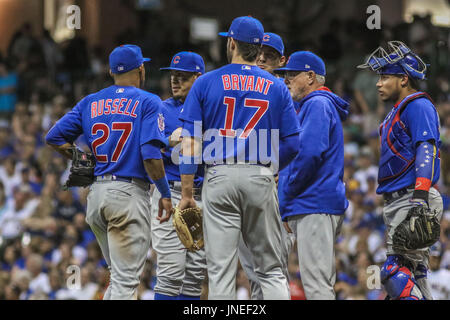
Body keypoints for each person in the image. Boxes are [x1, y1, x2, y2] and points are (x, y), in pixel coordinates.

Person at [177, 16, 300, 300]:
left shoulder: (205, 82)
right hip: (259, 175)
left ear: (231, 42)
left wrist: (186, 193)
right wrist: (271, 167)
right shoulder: (277, 86)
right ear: (258, 50)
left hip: (219, 176)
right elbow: (293, 144)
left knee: (220, 270)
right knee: (270, 270)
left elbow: (191, 142)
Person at [45, 44, 173, 300]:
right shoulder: (148, 101)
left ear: (112, 71)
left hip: (98, 197)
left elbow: (54, 137)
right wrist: (165, 193)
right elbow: (150, 156)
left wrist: (83, 160)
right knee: (126, 284)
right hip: (127, 195)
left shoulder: (91, 101)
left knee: (118, 279)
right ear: (141, 69)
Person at [357, 40, 443, 300]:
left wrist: (420, 197)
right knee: (415, 272)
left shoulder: (418, 105)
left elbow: (426, 149)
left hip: (413, 197)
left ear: (404, 79)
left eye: (385, 76)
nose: (378, 83)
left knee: (394, 272)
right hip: (400, 199)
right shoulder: (396, 110)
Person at [274, 51, 349, 300]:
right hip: (315, 203)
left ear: (310, 76)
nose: (287, 80)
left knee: (317, 285)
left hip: (314, 202)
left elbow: (309, 155)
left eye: (292, 75)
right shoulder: (314, 104)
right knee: (318, 282)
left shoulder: (317, 103)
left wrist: (286, 194)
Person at [239, 31, 293, 300]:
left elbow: (298, 149)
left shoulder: (287, 94)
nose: (261, 58)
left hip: (279, 195)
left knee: (273, 271)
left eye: (269, 55)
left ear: (281, 60)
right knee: (254, 272)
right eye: (258, 52)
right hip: (250, 187)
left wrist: (276, 173)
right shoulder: (241, 91)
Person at [151, 51, 206, 300]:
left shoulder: (210, 107)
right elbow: (146, 150)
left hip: (204, 194)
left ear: (198, 77)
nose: (175, 81)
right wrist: (165, 142)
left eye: (182, 77)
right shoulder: (161, 109)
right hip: (169, 194)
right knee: (171, 272)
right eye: (173, 76)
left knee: (195, 275)